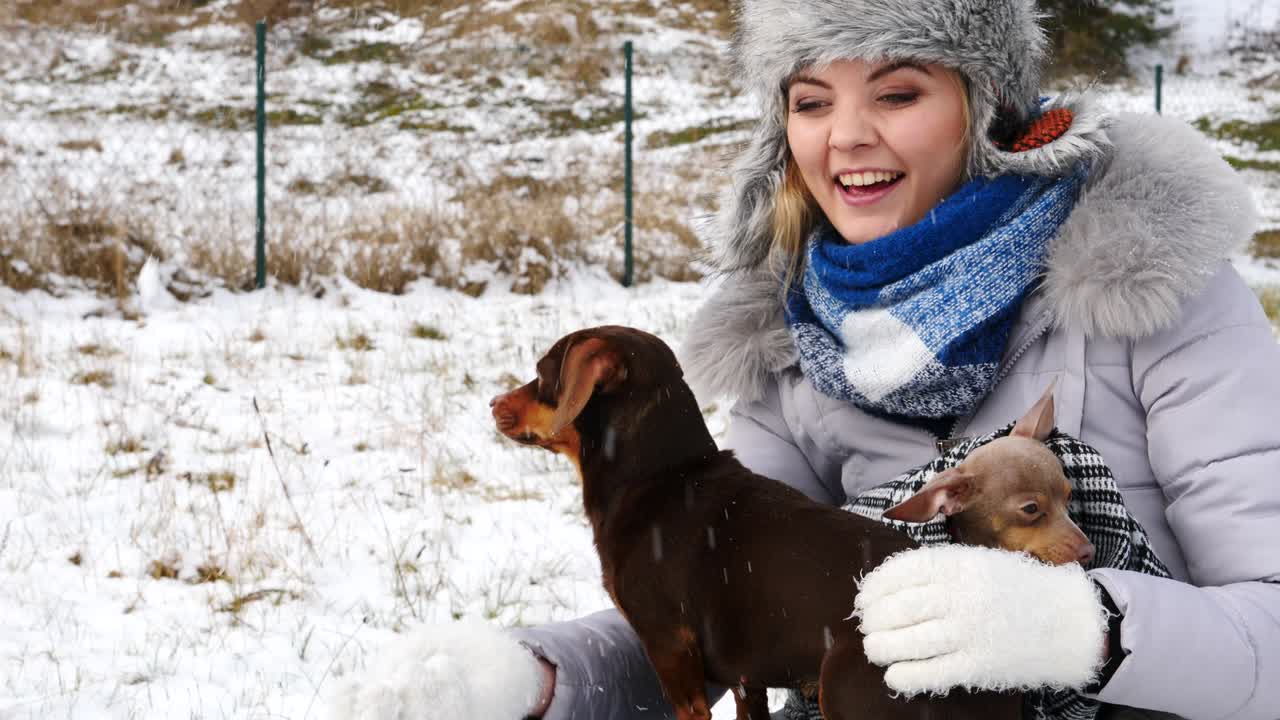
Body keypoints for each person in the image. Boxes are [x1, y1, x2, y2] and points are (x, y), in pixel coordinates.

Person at [326, 1, 1280, 719]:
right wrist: (541, 678)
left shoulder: (1153, 298)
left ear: (986, 110)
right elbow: (713, 610)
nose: (847, 136)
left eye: (898, 93)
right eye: (811, 100)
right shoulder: (790, 347)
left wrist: (1083, 628)